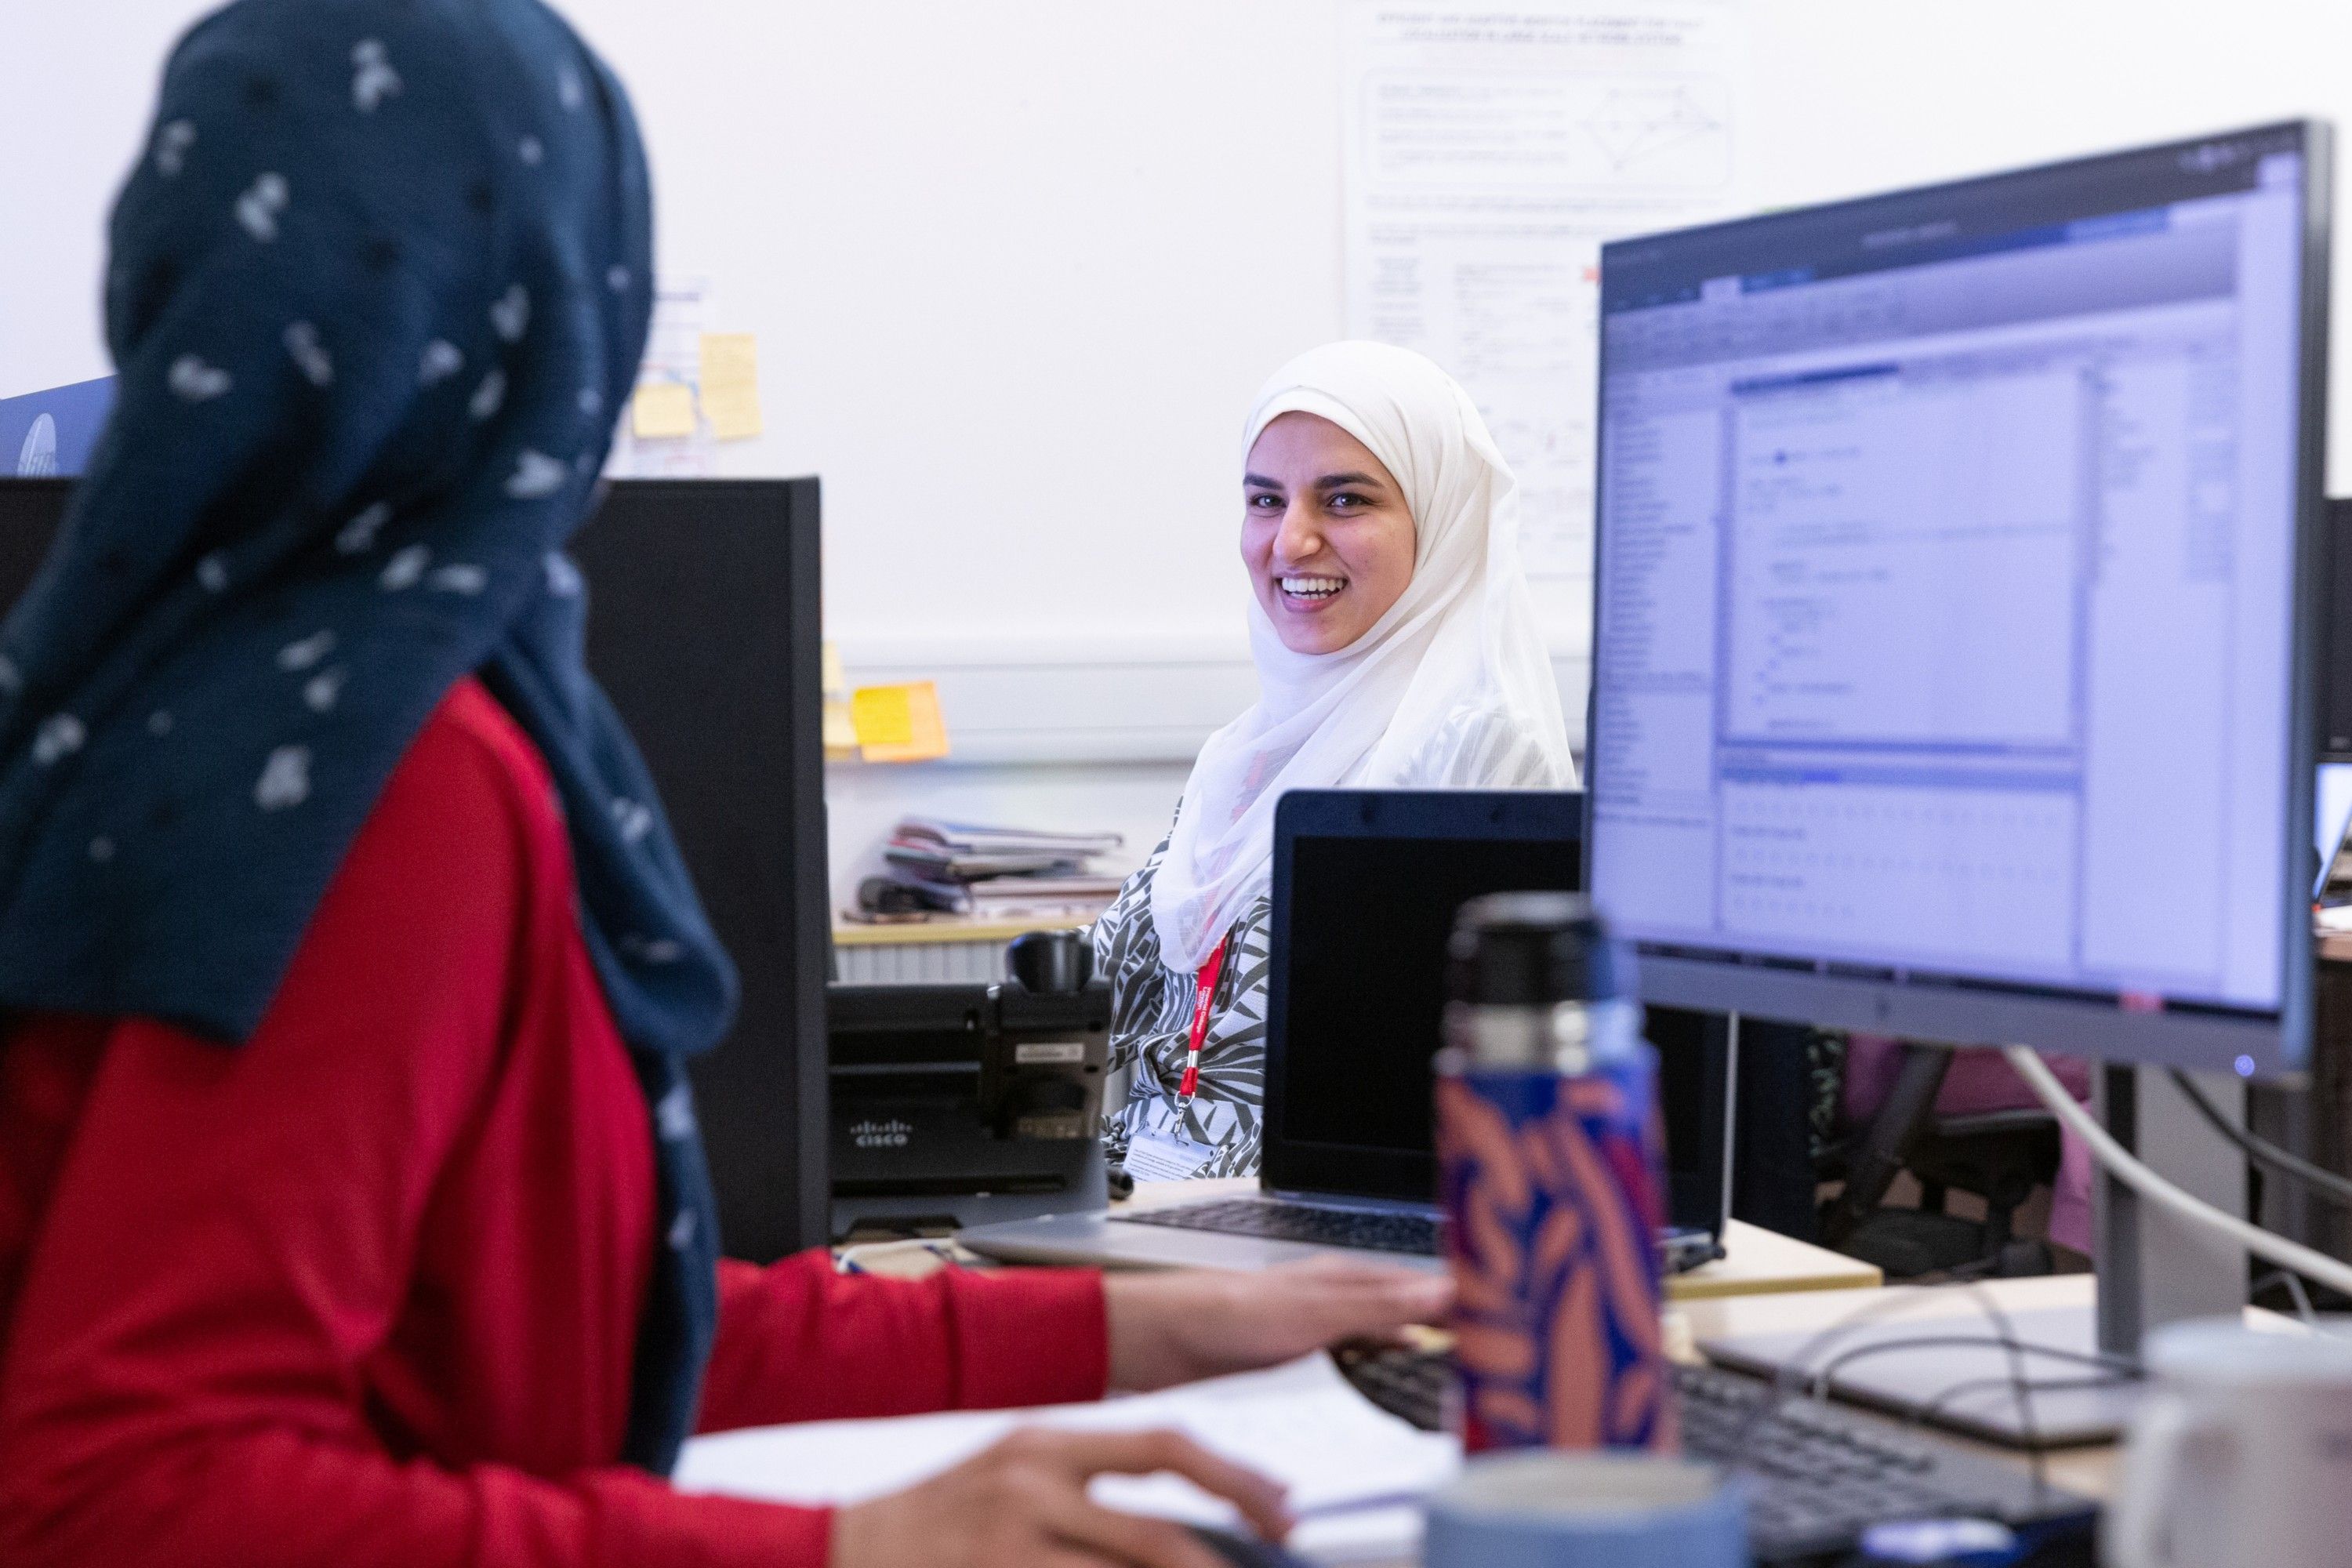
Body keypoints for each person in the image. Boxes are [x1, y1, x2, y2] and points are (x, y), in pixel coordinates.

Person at [0, 5, 1445, 1566]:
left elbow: (585, 1337)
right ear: (561, 316)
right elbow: (123, 1494)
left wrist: (1134, 1334)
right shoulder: (381, 770)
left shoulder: (160, 686)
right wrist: (846, 1547)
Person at [1095, 343, 1578, 1181]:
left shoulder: (1475, 751)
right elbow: (1106, 1004)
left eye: (1346, 499)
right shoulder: (1243, 755)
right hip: (1146, 1207)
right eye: (1265, 500)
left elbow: (1454, 1102)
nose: (1292, 539)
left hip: (1305, 1238)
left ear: (1442, 521)